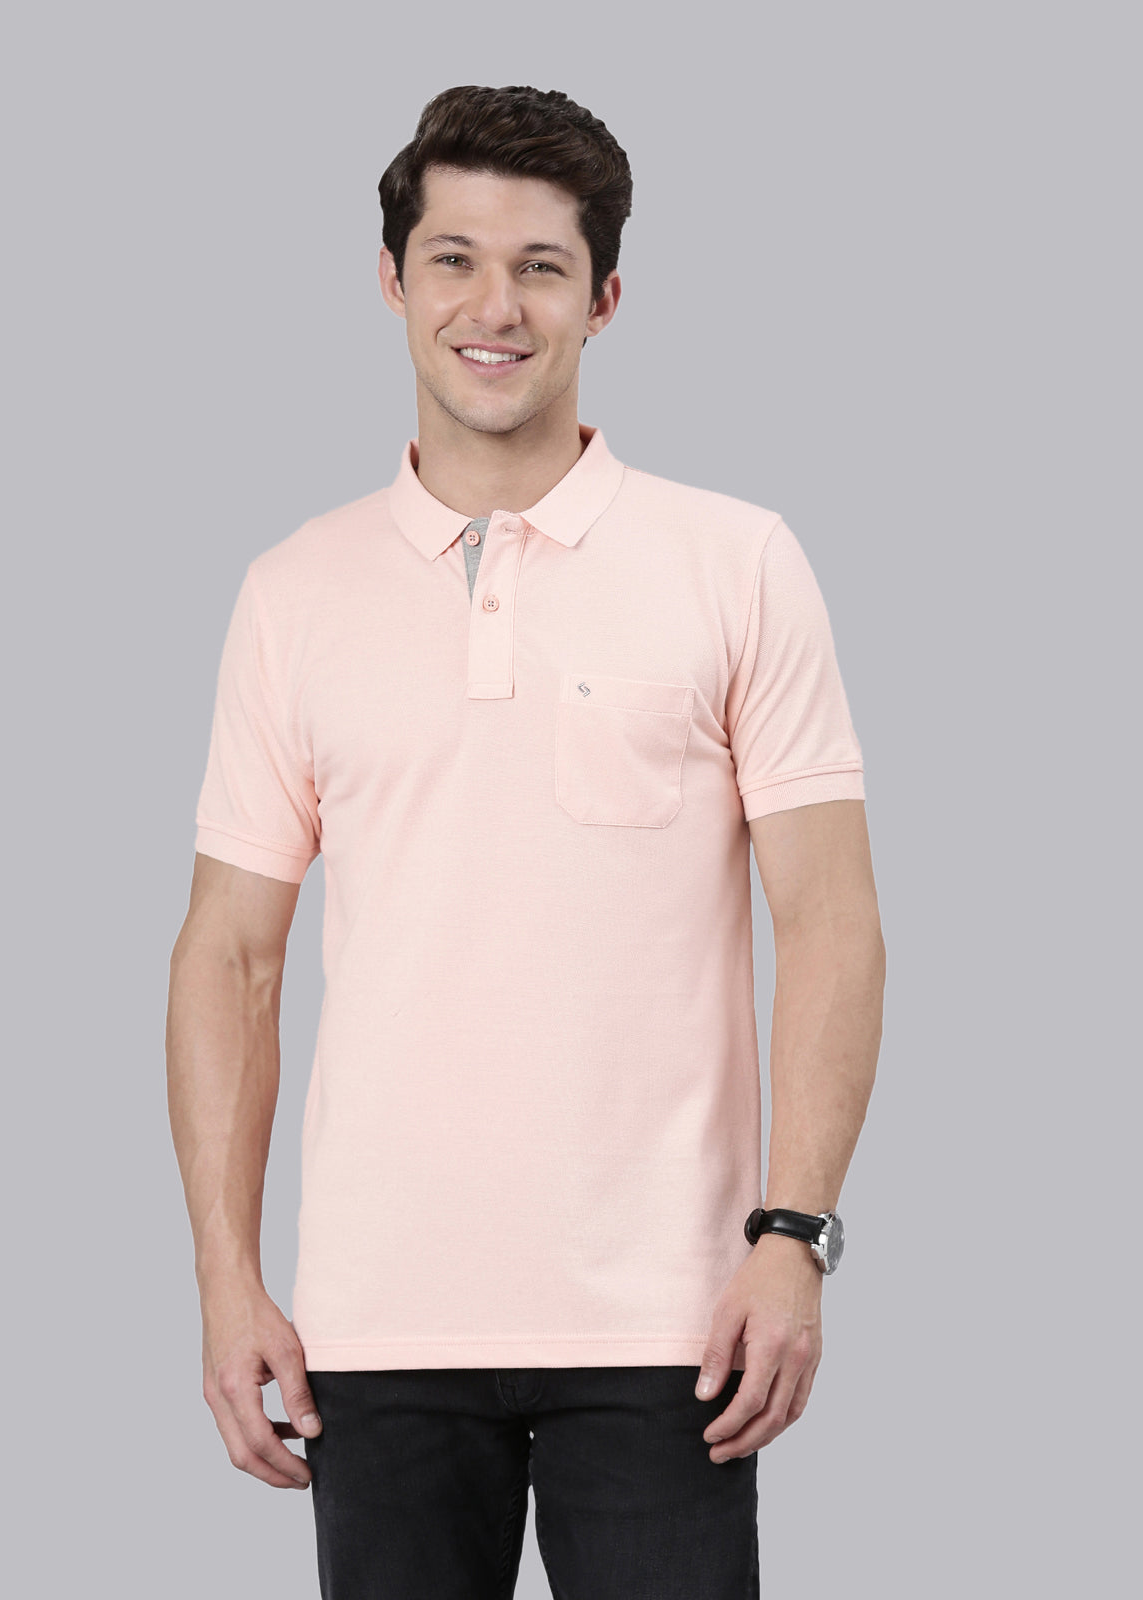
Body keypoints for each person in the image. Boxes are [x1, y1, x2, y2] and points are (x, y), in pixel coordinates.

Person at [166, 82, 885, 1600]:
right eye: (455, 258)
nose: (494, 307)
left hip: (676, 1322)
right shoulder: (295, 592)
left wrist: (793, 1236)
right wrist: (228, 1283)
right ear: (393, 280)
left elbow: (830, 917)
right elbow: (231, 956)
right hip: (378, 1328)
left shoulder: (736, 562)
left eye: (541, 267)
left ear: (604, 299)